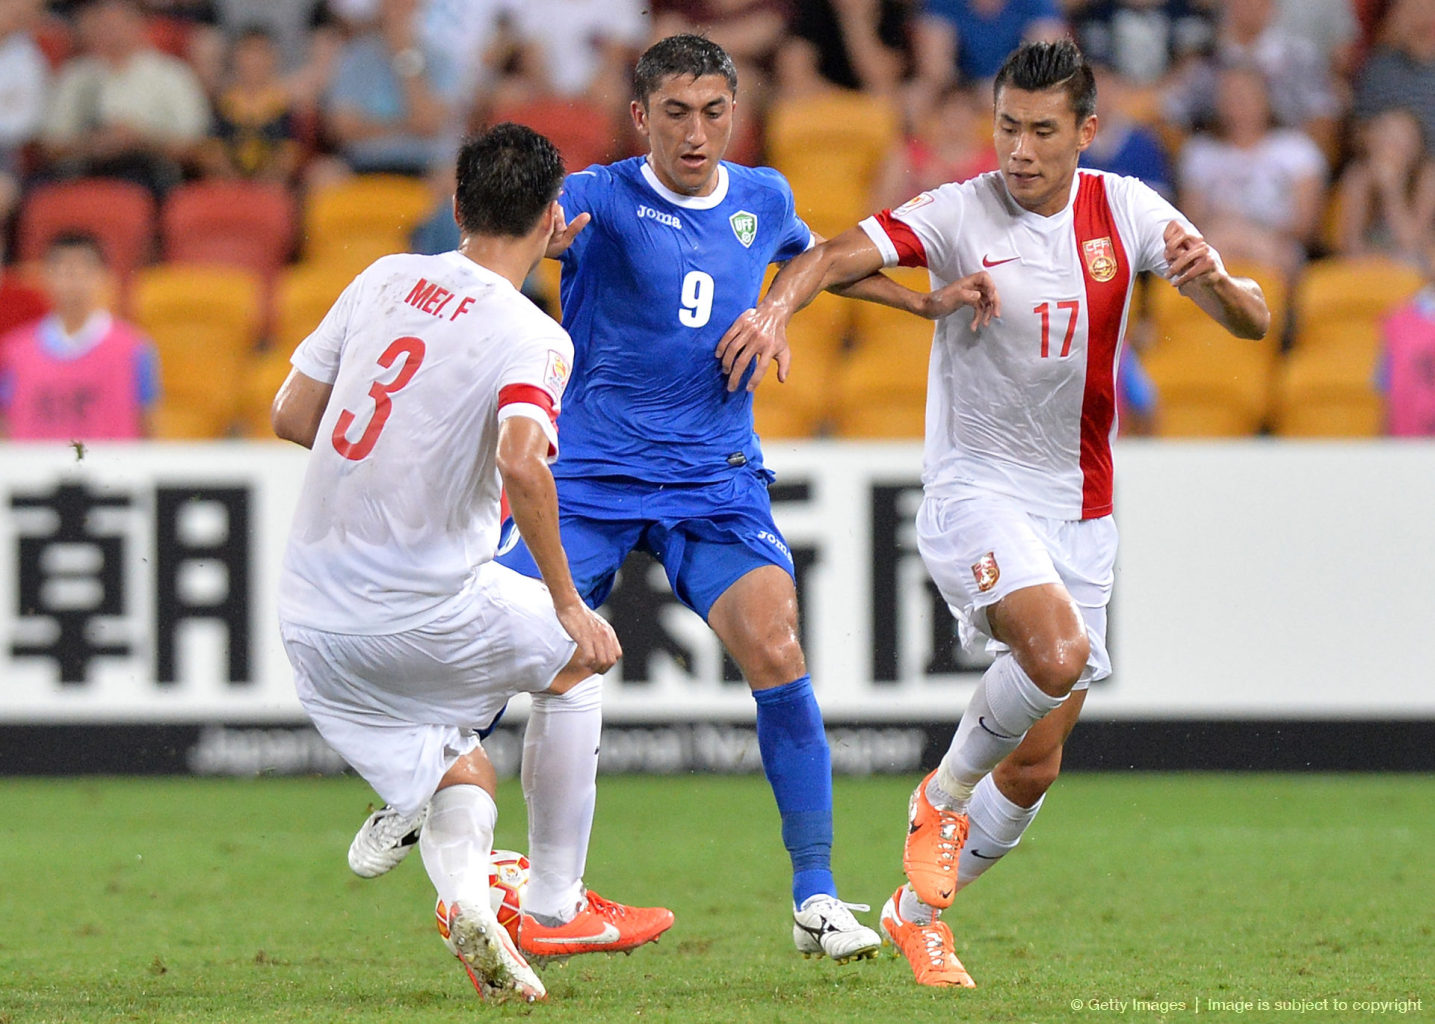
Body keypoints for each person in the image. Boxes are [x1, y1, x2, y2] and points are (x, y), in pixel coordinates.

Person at [718, 38, 1270, 987]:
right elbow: (834, 252)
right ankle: (939, 795)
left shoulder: (1128, 210)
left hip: (1081, 509)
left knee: (1038, 766)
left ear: (1085, 133)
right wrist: (782, 309)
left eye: (1041, 131)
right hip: (977, 489)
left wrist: (1215, 282)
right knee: (1050, 659)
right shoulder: (959, 211)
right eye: (1006, 125)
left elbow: (1253, 321)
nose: (1017, 148)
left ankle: (915, 910)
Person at [484, 33, 992, 964]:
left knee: (777, 645)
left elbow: (820, 261)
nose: (695, 131)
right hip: (591, 475)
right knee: (496, 649)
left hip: (712, 479)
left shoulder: (763, 198)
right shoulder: (597, 194)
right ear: (641, 117)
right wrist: (534, 248)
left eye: (713, 111)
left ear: (735, 113)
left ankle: (815, 897)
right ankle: (423, 803)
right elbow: (511, 243)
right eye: (674, 112)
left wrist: (913, 305)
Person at [270, 123, 674, 1003]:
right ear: (552, 219)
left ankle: (467, 903)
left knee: (462, 766)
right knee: (574, 661)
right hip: (426, 606)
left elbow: (293, 415)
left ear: (454, 207)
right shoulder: (533, 336)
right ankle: (556, 904)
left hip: (310, 621)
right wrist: (569, 601)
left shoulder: (383, 278)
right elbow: (525, 460)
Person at [0, 231, 159, 441]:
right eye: (63, 271)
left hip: (110, 470)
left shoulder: (134, 348)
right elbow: (5, 426)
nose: (73, 281)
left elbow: (149, 426)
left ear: (103, 277)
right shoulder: (14, 351)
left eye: (84, 270)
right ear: (45, 276)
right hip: (35, 471)